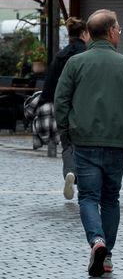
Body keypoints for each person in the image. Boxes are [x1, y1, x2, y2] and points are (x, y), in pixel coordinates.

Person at [52, 10, 123, 278]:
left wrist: (67, 130)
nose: (120, 32)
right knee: (110, 198)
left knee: (88, 196)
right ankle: (106, 257)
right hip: (118, 142)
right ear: (109, 32)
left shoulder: (75, 63)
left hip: (84, 140)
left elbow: (61, 101)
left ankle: (97, 240)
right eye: (118, 28)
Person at [42, 17, 87, 199]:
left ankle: (70, 172)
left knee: (68, 144)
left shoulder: (61, 55)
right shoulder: (87, 54)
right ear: (84, 34)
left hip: (65, 106)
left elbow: (50, 84)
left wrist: (45, 102)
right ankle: (85, 184)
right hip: (85, 106)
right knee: (85, 147)